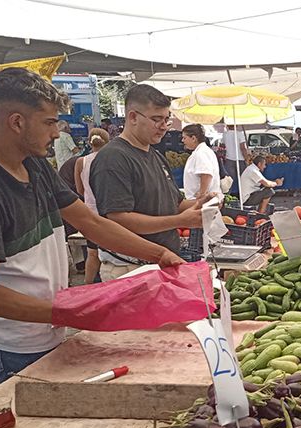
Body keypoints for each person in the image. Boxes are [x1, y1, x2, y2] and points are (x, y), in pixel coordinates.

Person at [0, 68, 184, 383]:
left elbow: (89, 222)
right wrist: (71, 313)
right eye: (49, 123)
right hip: (11, 343)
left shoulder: (35, 165)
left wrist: (159, 255)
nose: (57, 133)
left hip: (47, 328)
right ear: (16, 122)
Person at [90, 84, 212, 282]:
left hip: (160, 264)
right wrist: (180, 221)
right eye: (156, 119)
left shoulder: (154, 155)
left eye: (166, 120)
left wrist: (201, 204)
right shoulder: (113, 158)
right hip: (130, 269)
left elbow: (176, 204)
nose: (163, 126)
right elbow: (118, 219)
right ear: (133, 117)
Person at [74, 128, 111, 284]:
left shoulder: (81, 162)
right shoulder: (111, 160)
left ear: (89, 142)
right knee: (112, 254)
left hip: (89, 212)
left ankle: (87, 286)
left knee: (92, 253)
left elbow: (79, 190)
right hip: (110, 212)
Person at [181, 123, 223, 201]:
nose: (182, 140)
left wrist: (202, 194)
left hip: (201, 202)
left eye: (184, 138)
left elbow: (206, 174)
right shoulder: (202, 151)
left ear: (193, 138)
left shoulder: (201, 153)